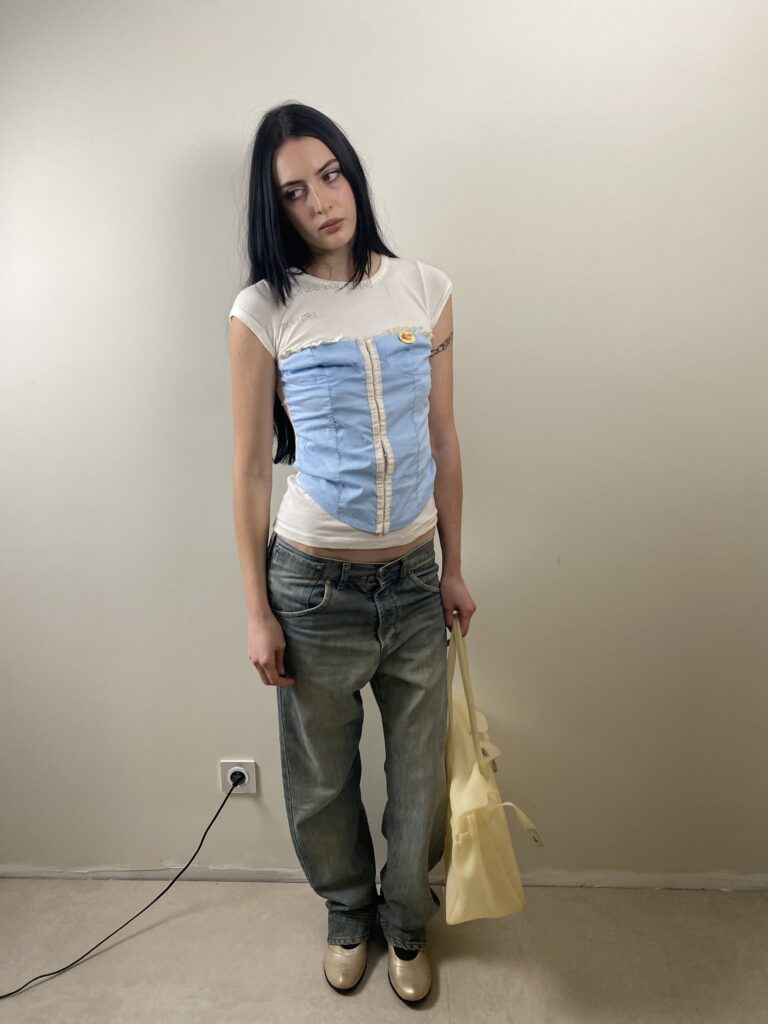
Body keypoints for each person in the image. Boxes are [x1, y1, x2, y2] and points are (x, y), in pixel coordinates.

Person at [227, 102, 476, 1003]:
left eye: (330, 176)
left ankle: (405, 919)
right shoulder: (263, 310)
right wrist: (258, 611)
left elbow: (443, 438)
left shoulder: (425, 289)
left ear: (352, 175)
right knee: (321, 778)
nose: (322, 202)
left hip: (413, 581)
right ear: (276, 209)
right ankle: (346, 912)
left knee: (421, 778)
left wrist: (453, 568)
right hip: (311, 585)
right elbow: (250, 468)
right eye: (294, 192)